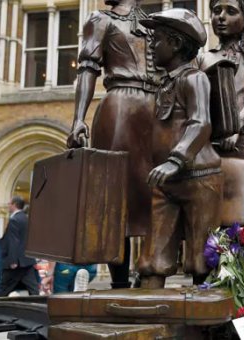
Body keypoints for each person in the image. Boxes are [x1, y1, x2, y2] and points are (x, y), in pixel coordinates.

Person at [66, 0, 162, 289]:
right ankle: (119, 282)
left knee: (156, 193)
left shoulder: (154, 24)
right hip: (119, 105)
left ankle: (151, 276)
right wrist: (78, 119)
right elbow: (87, 68)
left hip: (157, 108)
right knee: (116, 195)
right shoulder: (100, 19)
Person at [137, 9, 223, 288]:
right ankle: (150, 306)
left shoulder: (194, 78)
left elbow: (200, 123)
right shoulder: (164, 83)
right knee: (153, 254)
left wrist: (175, 160)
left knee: (203, 254)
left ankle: (205, 315)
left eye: (157, 40)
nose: (151, 46)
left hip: (198, 177)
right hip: (166, 182)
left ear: (175, 44)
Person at [197, 0, 244, 173]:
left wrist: (235, 128)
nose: (221, 17)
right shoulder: (202, 59)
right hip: (209, 140)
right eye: (217, 11)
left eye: (230, 11)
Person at [0, 196, 39, 296]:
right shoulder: (26, 218)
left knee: (2, 287)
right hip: (26, 260)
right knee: (33, 288)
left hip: (17, 262)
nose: (8, 206)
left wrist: (12, 260)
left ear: (14, 205)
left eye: (9, 204)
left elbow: (13, 241)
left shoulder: (14, 220)